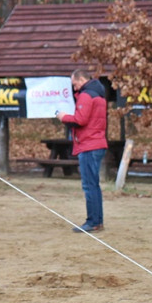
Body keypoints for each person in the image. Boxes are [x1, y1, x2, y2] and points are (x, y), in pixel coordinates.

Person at [57, 69, 108, 233]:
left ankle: (92, 222)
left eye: (75, 84)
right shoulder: (99, 94)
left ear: (81, 79)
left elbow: (80, 120)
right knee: (94, 185)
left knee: (89, 185)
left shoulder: (86, 95)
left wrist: (63, 117)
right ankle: (97, 221)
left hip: (88, 145)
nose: (74, 88)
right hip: (96, 143)